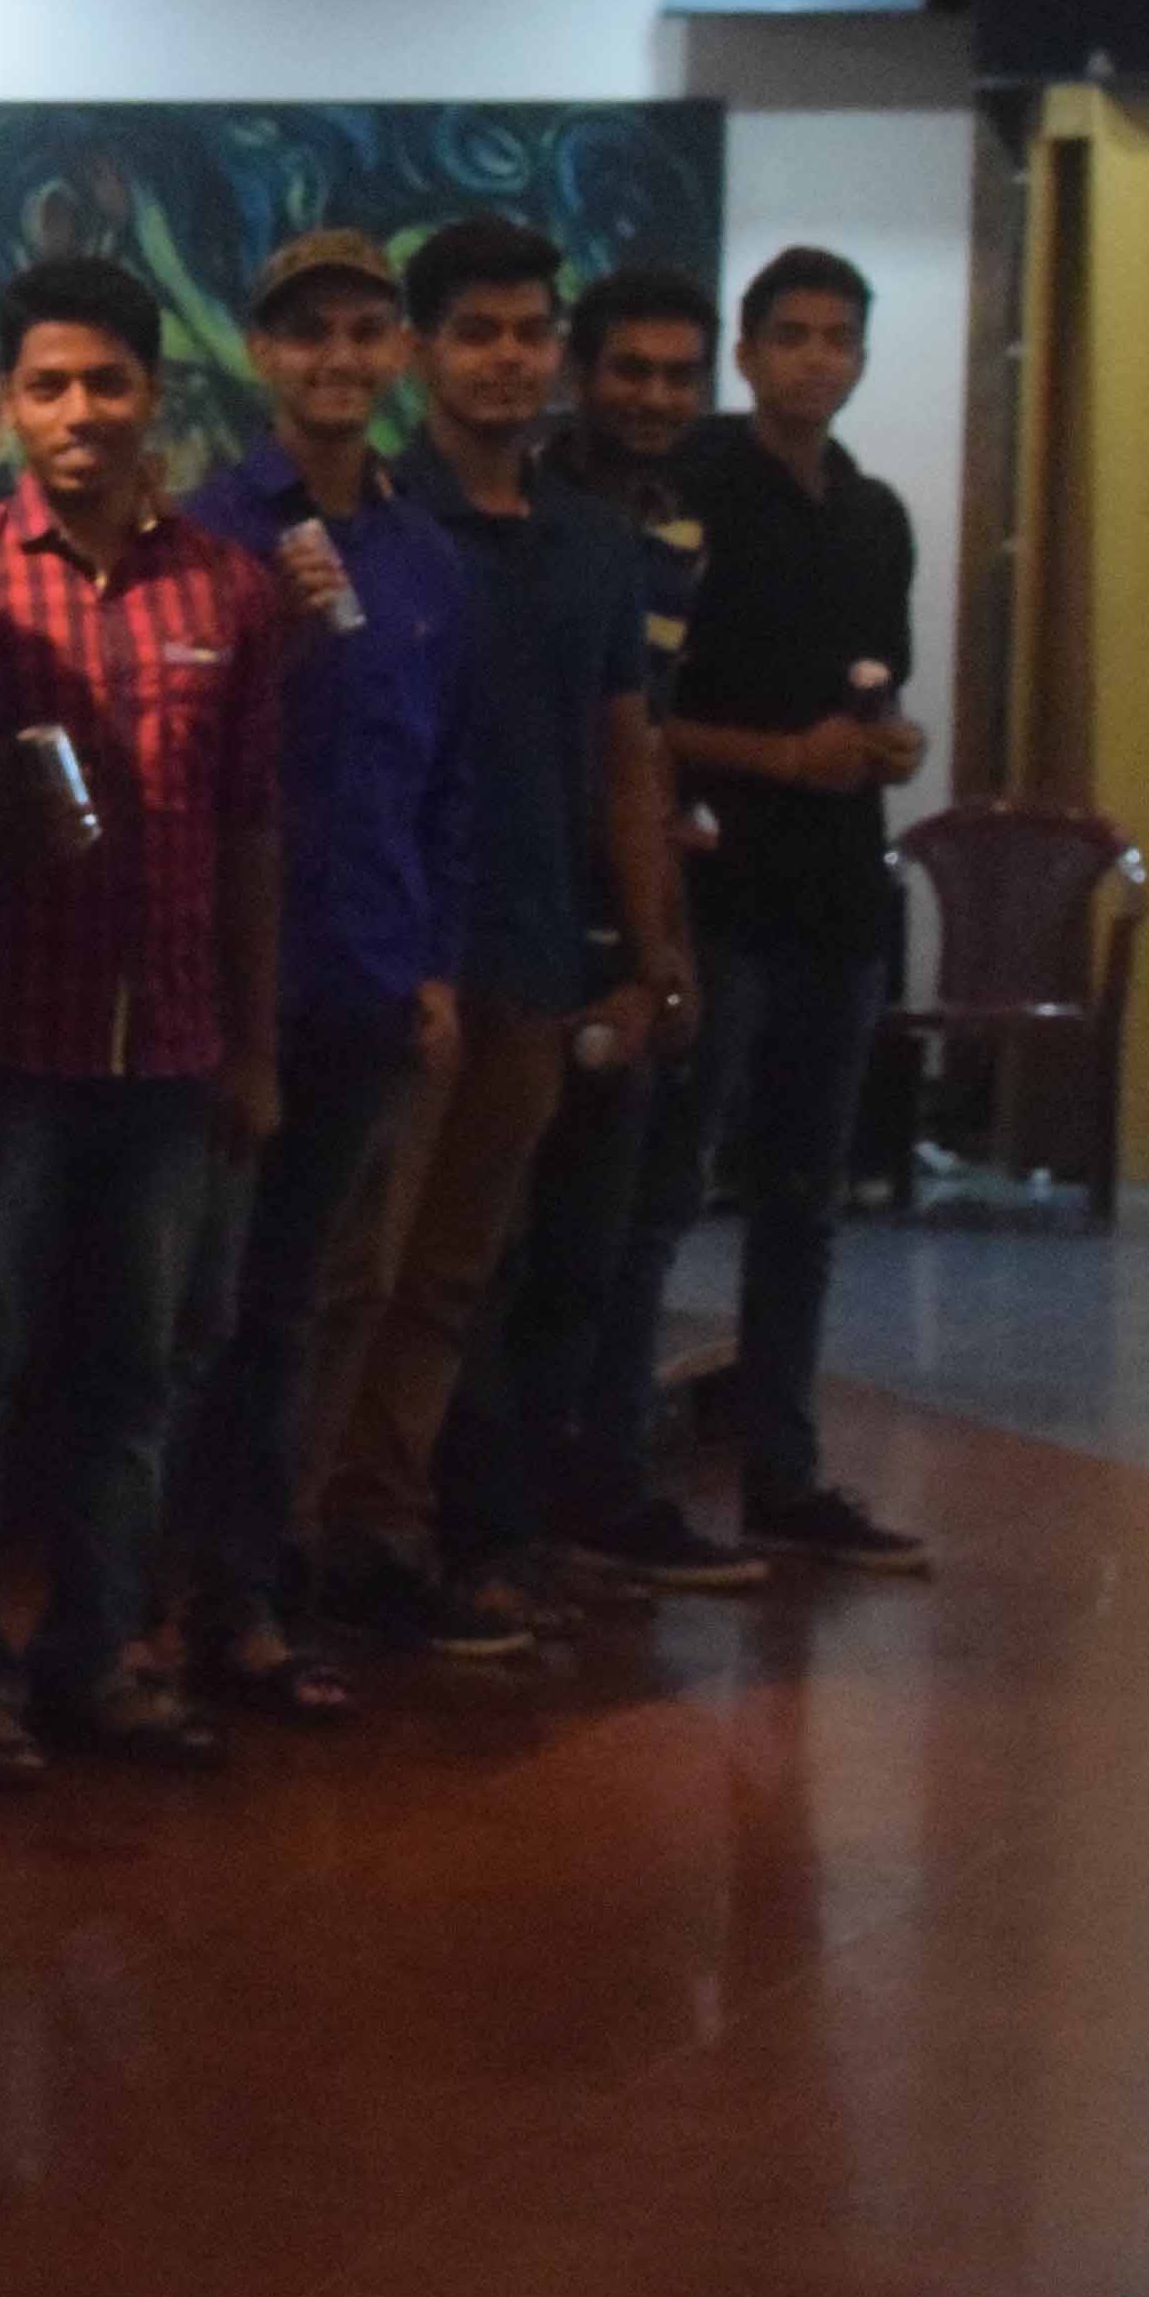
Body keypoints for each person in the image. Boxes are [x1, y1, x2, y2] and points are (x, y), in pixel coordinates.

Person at [0, 256, 282, 1784]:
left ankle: (100, 1654)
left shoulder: (228, 587)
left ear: (153, 396)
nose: (78, 413)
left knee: (138, 1375)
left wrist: (253, 1044)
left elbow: (252, 829)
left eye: (106, 383)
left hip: (174, 1052)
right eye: (47, 385)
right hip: (10, 1049)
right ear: (3, 401)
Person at [341, 221, 692, 1659]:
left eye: (529, 332)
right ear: (420, 350)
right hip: (395, 957)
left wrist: (654, 944)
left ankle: (414, 1537)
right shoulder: (372, 523)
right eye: (476, 332)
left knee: (461, 1275)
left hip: (537, 947)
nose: (507, 358)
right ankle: (319, 1548)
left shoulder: (595, 544)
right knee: (360, 1273)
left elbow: (626, 753)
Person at [170, 229, 472, 1708]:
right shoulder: (207, 535)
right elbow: (178, 757)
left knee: (298, 1301)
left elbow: (439, 777)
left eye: (365, 332)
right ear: (262, 354)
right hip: (223, 981)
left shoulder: (426, 554)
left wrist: (434, 962)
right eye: (309, 334)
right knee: (192, 1305)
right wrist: (269, 644)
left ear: (398, 354)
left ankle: (250, 1596)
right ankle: (149, 1601)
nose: (338, 359)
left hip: (364, 971)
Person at [608, 248, 938, 1577]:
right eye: (790, 335)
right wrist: (780, 758)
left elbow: (873, 690)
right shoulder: (687, 499)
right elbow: (636, 713)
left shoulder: (873, 514)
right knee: (666, 1192)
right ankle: (617, 1475)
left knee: (808, 1200)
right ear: (745, 356)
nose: (815, 358)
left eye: (838, 337)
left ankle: (784, 1474)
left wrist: (891, 742)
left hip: (839, 893)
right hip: (716, 888)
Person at [479, 267, 756, 1598]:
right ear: (580, 374)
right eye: (628, 369)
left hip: (635, 915)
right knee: (511, 1248)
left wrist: (664, 936)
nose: (653, 395)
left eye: (677, 374)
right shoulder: (534, 518)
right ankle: (497, 1524)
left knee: (612, 1236)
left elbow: (645, 733)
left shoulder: (675, 523)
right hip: (530, 921)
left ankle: (583, 1498)